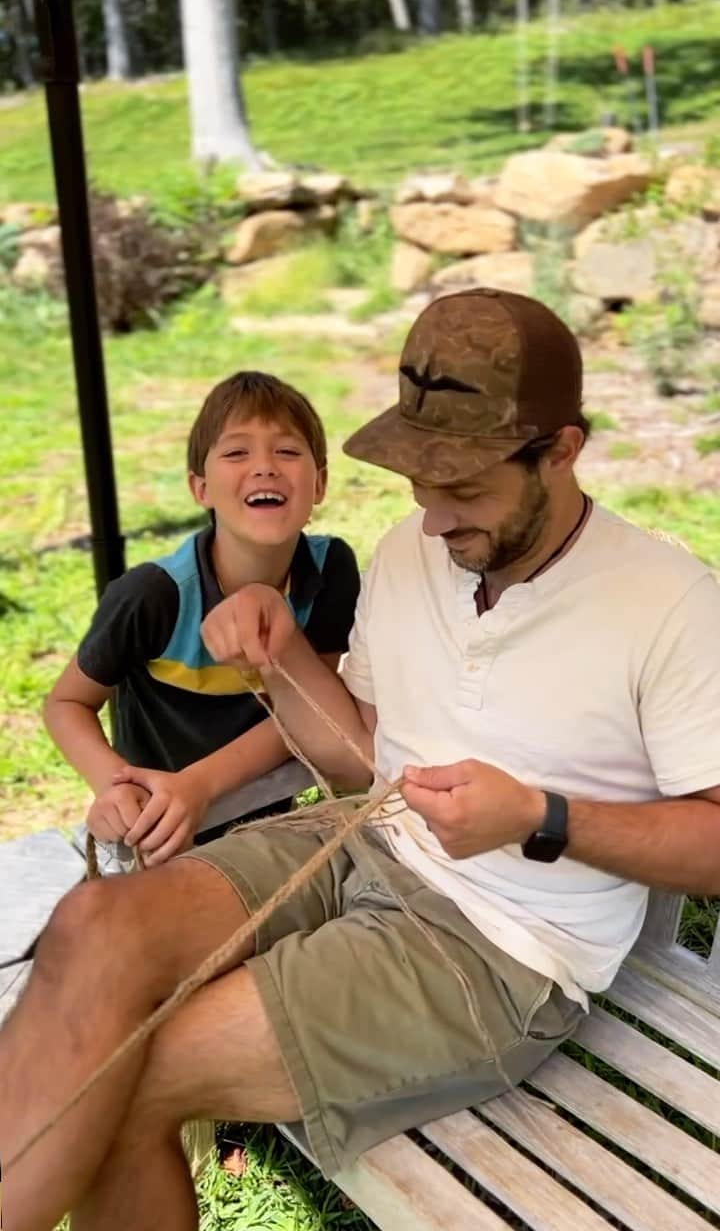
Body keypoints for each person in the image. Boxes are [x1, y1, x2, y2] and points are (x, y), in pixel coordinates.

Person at [4, 289, 720, 1231]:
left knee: (138, 1071)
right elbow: (358, 766)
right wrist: (285, 651)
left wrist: (542, 817)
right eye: (421, 485)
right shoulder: (408, 554)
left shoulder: (666, 602)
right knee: (94, 921)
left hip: (500, 946)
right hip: (358, 841)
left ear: (561, 451)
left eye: (462, 489)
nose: (432, 520)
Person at [43, 369, 360, 867]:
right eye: (237, 452)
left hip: (274, 819)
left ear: (319, 484)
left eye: (287, 451)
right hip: (158, 832)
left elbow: (311, 710)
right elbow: (65, 703)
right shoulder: (152, 596)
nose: (264, 468)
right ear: (200, 488)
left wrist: (201, 785)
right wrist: (114, 785)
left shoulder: (332, 571)